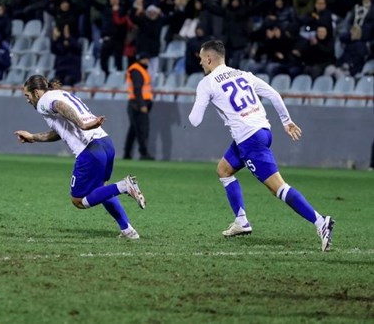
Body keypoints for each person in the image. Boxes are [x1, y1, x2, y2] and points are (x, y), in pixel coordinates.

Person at [188, 40, 335, 251]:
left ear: (209, 59)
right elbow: (274, 95)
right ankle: (241, 221)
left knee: (279, 188)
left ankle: (321, 222)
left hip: (249, 140)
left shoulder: (207, 83)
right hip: (262, 132)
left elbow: (195, 120)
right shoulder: (243, 74)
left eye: (202, 59)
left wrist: (200, 101)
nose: (201, 63)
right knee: (224, 169)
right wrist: (286, 121)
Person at [14, 75, 146, 239]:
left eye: (27, 96)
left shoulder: (44, 101)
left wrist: (82, 124)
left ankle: (124, 186)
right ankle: (127, 230)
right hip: (105, 144)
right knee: (100, 190)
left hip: (89, 150)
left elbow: (59, 106)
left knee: (78, 201)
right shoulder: (60, 93)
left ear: (36, 92)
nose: (27, 100)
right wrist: (33, 137)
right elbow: (60, 132)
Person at [124, 53, 154, 160]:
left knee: (134, 130)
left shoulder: (139, 69)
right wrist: (142, 105)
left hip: (136, 103)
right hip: (137, 104)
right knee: (142, 130)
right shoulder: (137, 70)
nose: (147, 61)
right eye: (145, 58)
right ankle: (143, 153)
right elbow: (137, 89)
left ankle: (127, 153)